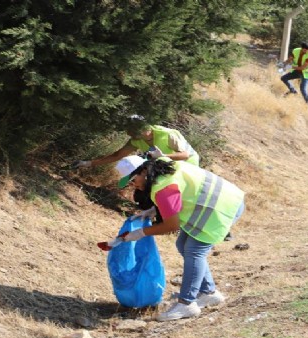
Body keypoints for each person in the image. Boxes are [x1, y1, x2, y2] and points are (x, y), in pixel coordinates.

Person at [118, 157, 245, 321]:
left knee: (194, 251)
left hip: (221, 209)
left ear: (143, 171)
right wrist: (154, 210)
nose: (133, 184)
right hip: (227, 198)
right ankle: (209, 293)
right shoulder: (163, 165)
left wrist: (141, 233)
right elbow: (179, 193)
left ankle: (187, 304)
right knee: (182, 244)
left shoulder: (162, 189)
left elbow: (172, 225)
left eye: (133, 179)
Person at [75, 114, 200, 168]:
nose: (128, 133)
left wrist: (163, 156)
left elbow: (185, 155)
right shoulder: (136, 140)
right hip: (167, 164)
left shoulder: (167, 134)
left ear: (142, 128)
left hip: (189, 164)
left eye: (131, 130)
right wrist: (88, 163)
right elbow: (117, 155)